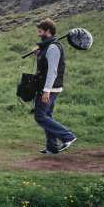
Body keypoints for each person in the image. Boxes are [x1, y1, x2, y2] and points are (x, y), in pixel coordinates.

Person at [33, 19, 77, 154]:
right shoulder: (47, 47)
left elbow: (52, 71)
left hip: (49, 89)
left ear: (48, 31)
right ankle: (52, 147)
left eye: (40, 31)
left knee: (40, 116)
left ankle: (67, 136)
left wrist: (46, 91)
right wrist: (39, 53)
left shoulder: (53, 47)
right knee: (47, 116)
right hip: (49, 88)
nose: (38, 34)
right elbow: (45, 65)